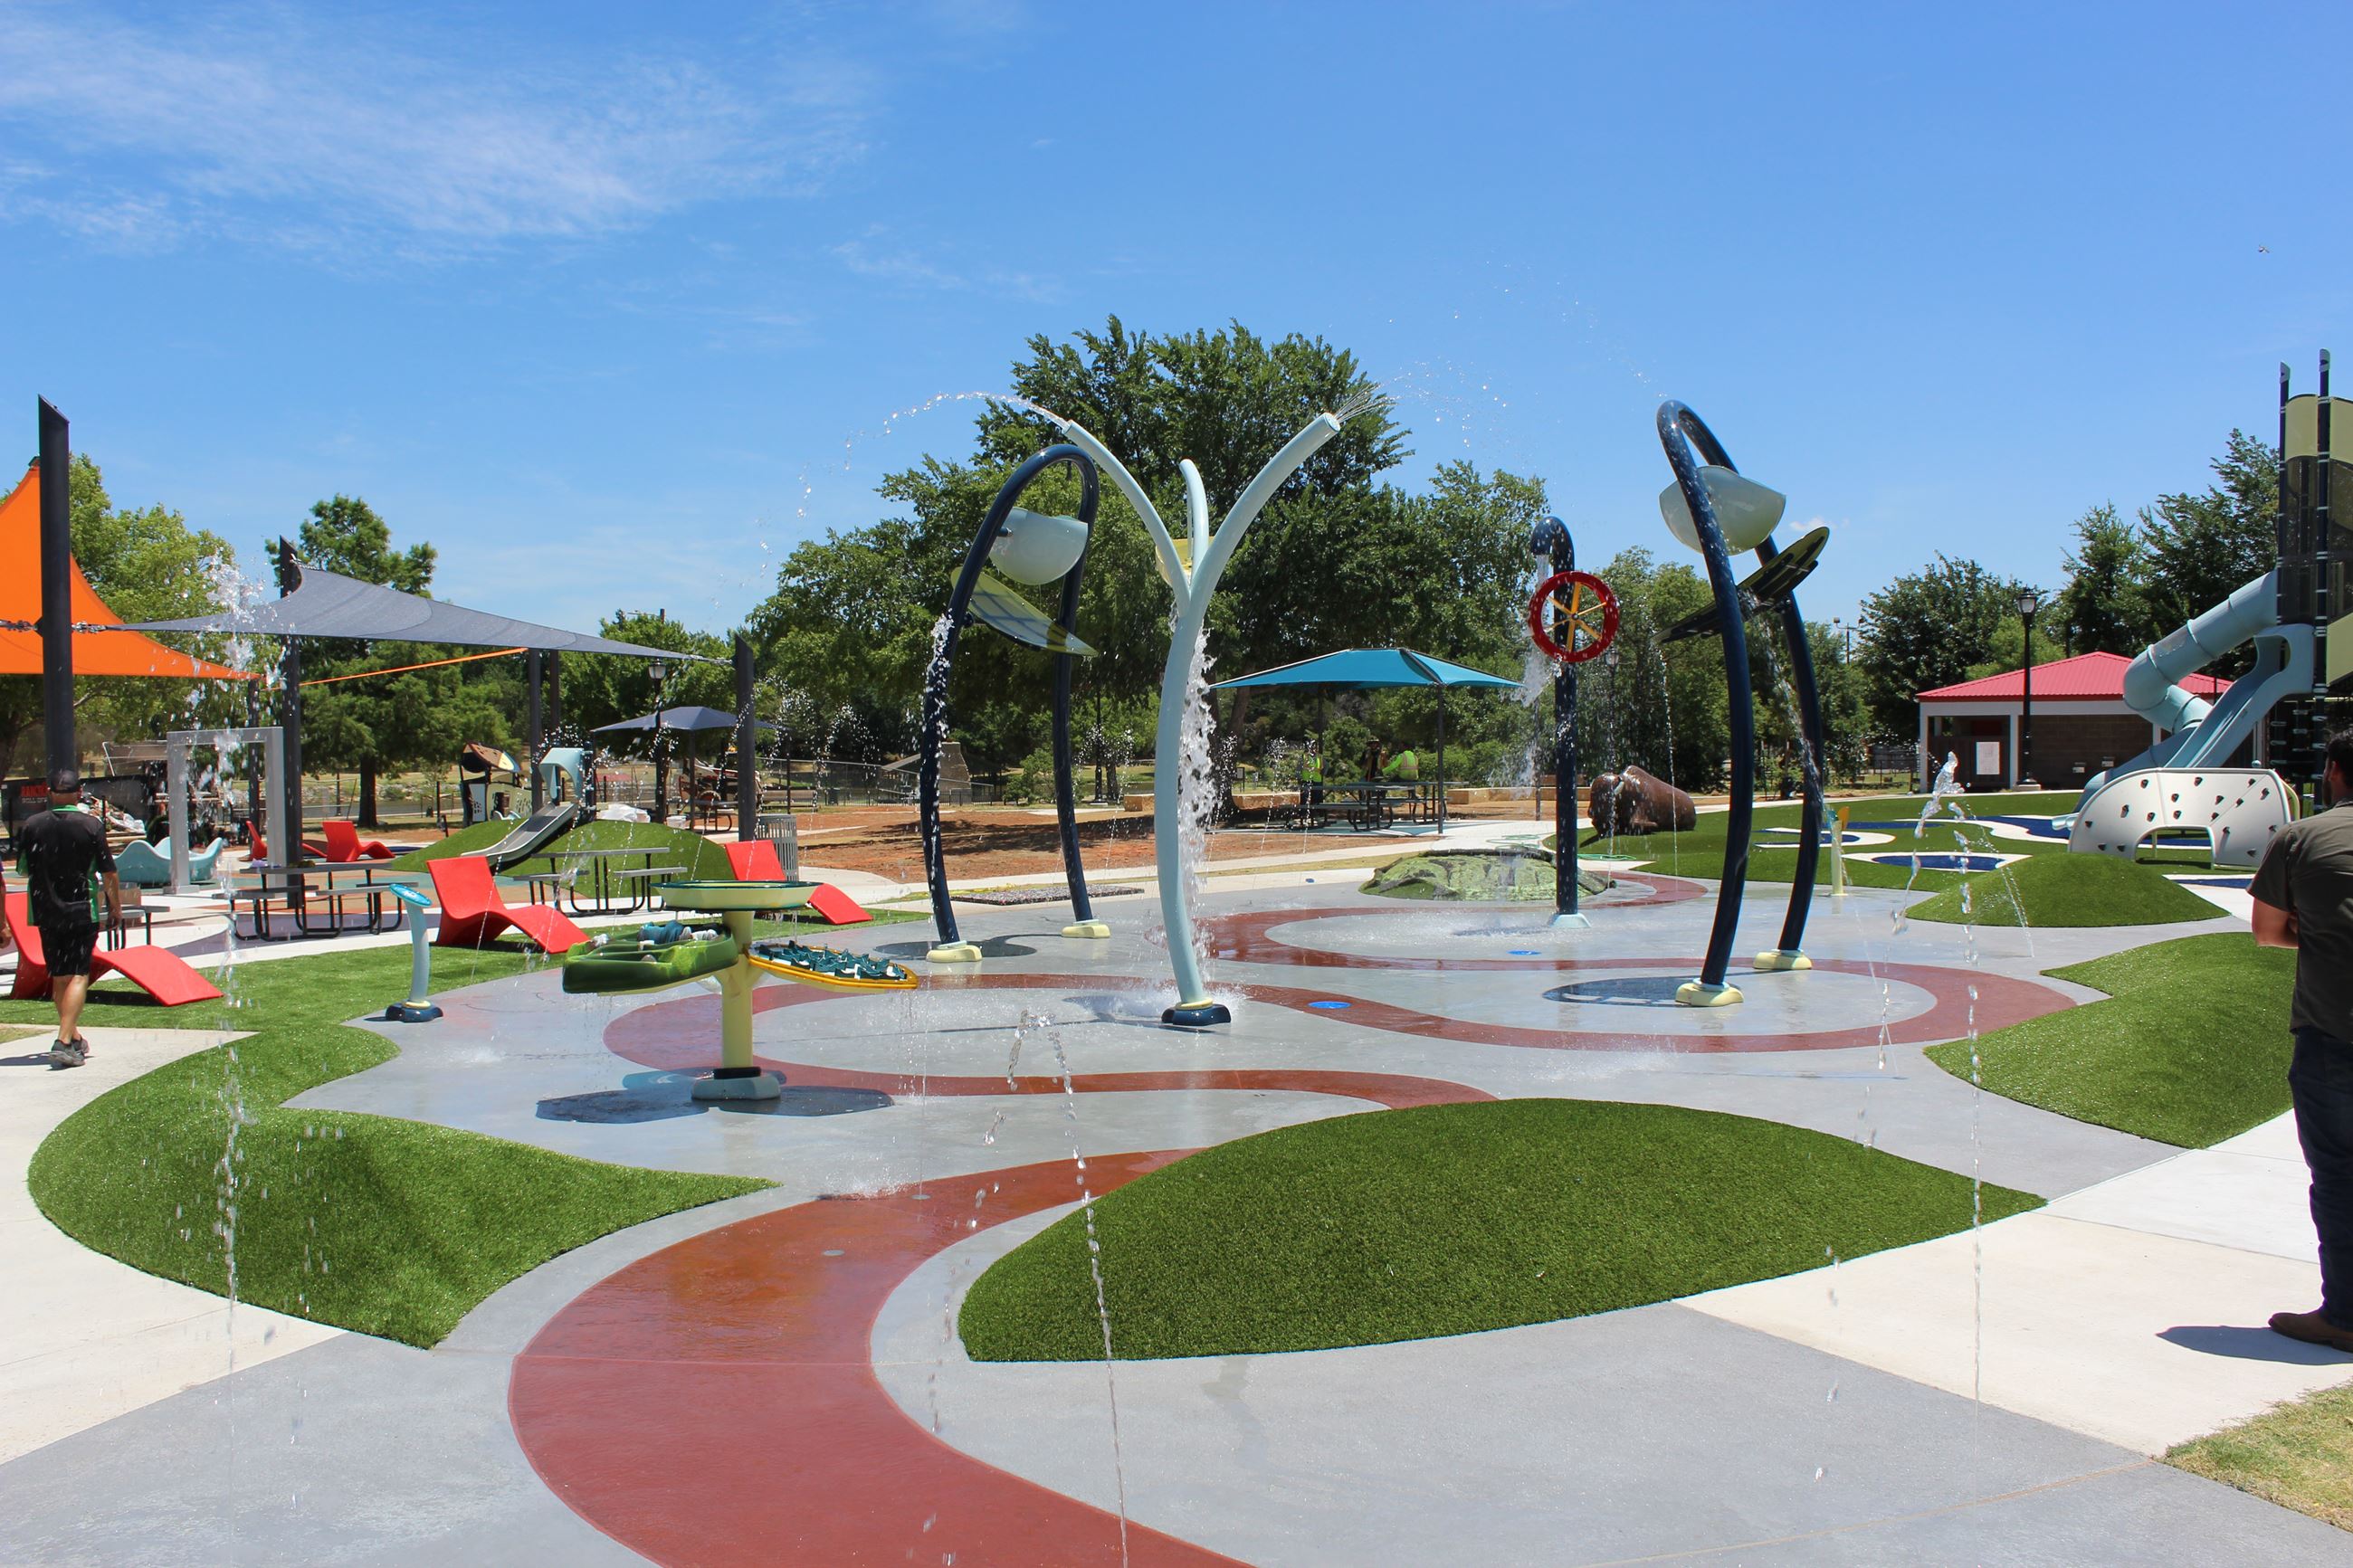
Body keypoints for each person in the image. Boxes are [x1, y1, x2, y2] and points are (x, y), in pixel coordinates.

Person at [2253, 727, 2353, 1350]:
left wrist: (2315, 935)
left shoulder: (2301, 837)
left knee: (2340, 1176)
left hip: (2332, 1036)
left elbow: (2267, 931)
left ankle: (2343, 1315)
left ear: (2336, 772)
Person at [16, 767, 121, 1069]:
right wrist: (115, 908)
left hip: (45, 910)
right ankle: (62, 1042)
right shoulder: (91, 825)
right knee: (77, 974)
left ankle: (73, 1036)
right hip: (80, 909)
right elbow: (109, 872)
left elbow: (23, 868)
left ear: (49, 792)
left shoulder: (32, 825)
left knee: (60, 976)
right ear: (79, 792)